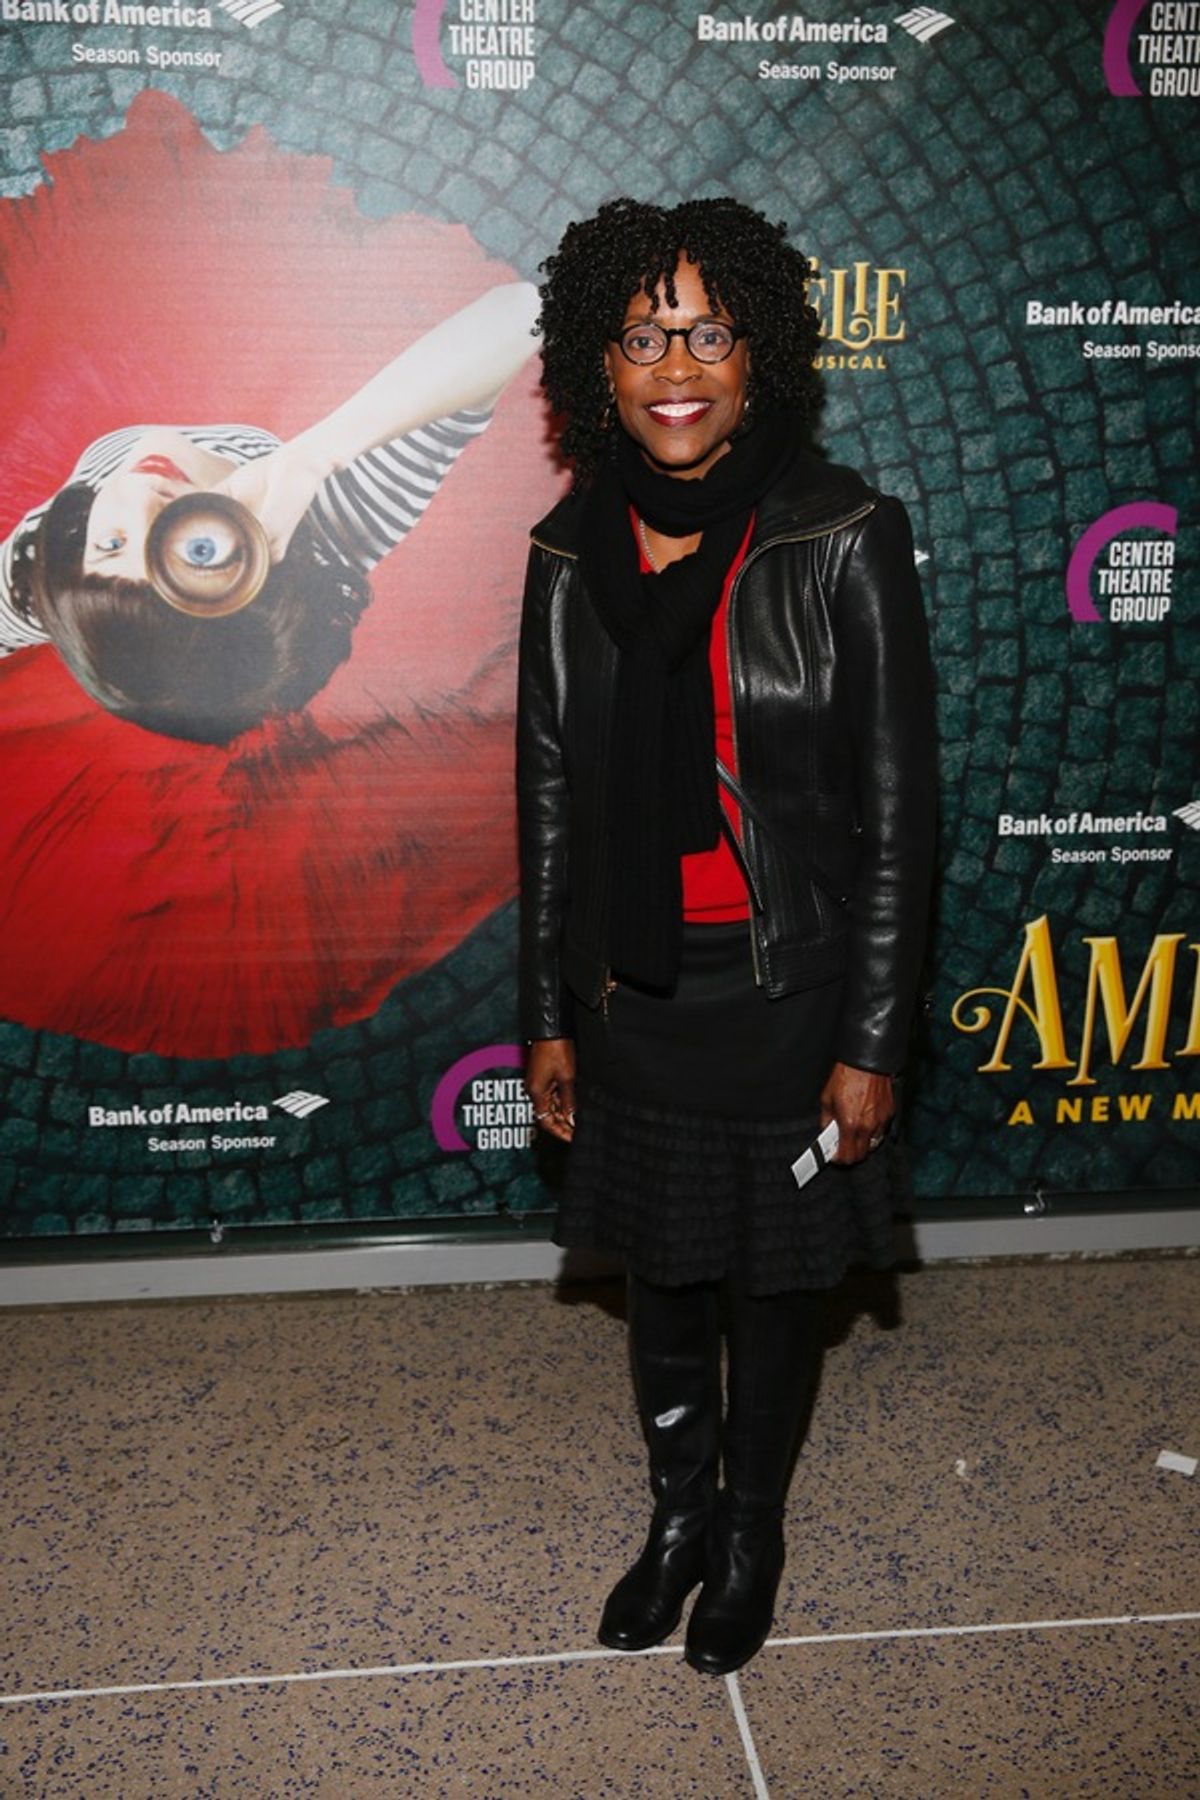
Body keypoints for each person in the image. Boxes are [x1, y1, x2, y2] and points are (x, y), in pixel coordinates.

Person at [517, 198, 936, 1676]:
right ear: (599, 368)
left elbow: (900, 821)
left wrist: (874, 1042)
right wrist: (548, 1014)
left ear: (757, 354)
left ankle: (751, 1532)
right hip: (637, 998)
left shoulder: (841, 538)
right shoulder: (570, 553)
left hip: (786, 996)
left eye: (705, 330)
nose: (673, 363)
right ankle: (678, 1522)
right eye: (641, 336)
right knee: (664, 1280)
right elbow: (551, 801)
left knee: (770, 1288)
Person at [2, 282, 538, 742]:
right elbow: (524, 311)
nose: (143, 496)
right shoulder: (339, 522)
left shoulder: (47, 565)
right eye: (197, 553)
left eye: (113, 544)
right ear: (255, 575)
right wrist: (313, 458)